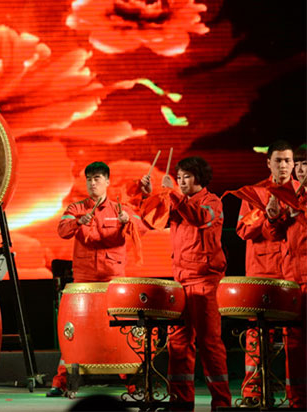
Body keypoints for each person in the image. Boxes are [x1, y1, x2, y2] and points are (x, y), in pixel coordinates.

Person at [140, 156, 231, 411]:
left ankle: (222, 403)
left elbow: (198, 218)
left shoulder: (212, 202)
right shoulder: (178, 202)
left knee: (209, 343)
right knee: (178, 343)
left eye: (186, 177)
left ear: (199, 177)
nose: (181, 182)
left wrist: (173, 195)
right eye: (179, 177)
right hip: (180, 282)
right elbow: (151, 221)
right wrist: (149, 195)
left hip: (206, 282)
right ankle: (180, 401)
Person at [49, 161, 146, 396]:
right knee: (74, 333)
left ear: (107, 181)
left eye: (97, 178)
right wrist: (77, 222)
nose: (92, 183)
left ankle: (132, 383)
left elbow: (142, 228)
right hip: (84, 282)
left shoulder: (120, 208)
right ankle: (61, 382)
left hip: (113, 280)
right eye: (89, 179)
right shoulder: (76, 208)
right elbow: (62, 230)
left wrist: (128, 220)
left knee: (121, 332)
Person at [235, 139, 298, 405]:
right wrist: (266, 215)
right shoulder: (255, 192)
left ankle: (298, 397)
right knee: (257, 336)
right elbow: (242, 230)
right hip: (262, 274)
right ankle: (253, 394)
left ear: (294, 164)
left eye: (287, 160)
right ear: (268, 163)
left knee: (295, 339)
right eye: (278, 160)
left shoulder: (301, 191)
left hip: (294, 276)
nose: (283, 165)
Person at [272, 143, 306, 409]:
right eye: (300, 165)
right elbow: (274, 236)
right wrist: (273, 217)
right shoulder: (289, 196)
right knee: (293, 344)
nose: (302, 170)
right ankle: (297, 401)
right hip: (293, 280)